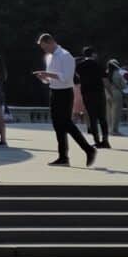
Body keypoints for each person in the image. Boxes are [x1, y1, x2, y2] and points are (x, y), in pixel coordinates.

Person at [34, 32, 95, 168]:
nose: (45, 50)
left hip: (65, 93)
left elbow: (67, 77)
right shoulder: (49, 57)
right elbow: (51, 79)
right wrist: (44, 78)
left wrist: (48, 74)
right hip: (54, 92)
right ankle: (63, 157)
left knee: (66, 123)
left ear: (51, 42)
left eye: (45, 47)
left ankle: (88, 149)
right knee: (58, 126)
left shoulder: (65, 55)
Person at [75, 46, 110, 150]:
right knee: (102, 117)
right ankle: (105, 140)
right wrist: (109, 92)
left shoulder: (80, 65)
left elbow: (78, 76)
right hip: (99, 92)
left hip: (87, 93)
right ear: (93, 54)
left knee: (92, 117)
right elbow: (105, 79)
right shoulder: (98, 64)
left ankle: (96, 140)